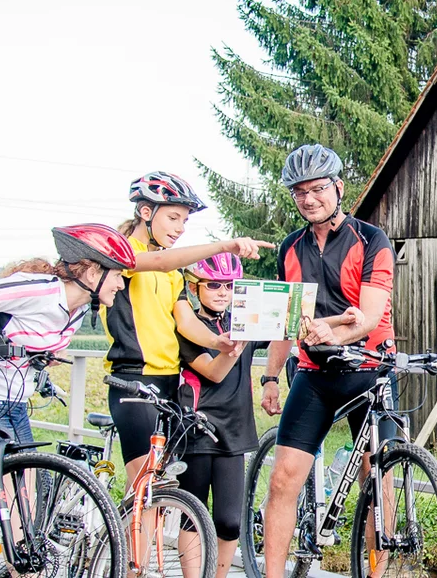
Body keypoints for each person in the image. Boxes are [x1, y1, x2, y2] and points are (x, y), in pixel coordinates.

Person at [258, 144, 399, 576]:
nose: (308, 199)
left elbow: (370, 317)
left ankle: (377, 572)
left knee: (378, 479)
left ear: (338, 188)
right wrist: (268, 377)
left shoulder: (371, 240)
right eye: (299, 192)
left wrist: (333, 331)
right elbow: (286, 319)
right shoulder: (290, 248)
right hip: (315, 373)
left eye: (317, 188)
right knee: (283, 479)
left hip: (368, 369)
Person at [0, 223, 136, 473]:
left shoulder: (80, 310)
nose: (120, 284)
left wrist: (49, 355)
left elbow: (39, 338)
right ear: (92, 273)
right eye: (117, 275)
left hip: (15, 403)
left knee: (27, 497)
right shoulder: (38, 289)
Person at [104, 170, 276, 482]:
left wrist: (218, 342)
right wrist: (224, 246)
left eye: (184, 221)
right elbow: (158, 262)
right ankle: (131, 533)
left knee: (162, 489)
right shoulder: (123, 252)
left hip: (169, 383)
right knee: (144, 485)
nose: (180, 228)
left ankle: (146, 533)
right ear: (146, 212)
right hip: (134, 380)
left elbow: (185, 322)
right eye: (173, 218)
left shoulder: (173, 274)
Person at [174, 252, 262, 578]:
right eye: (214, 285)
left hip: (235, 429)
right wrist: (232, 347)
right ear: (196, 288)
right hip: (198, 428)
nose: (223, 292)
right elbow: (212, 373)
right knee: (192, 514)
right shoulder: (188, 328)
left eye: (229, 285)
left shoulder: (243, 320)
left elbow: (286, 328)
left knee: (230, 521)